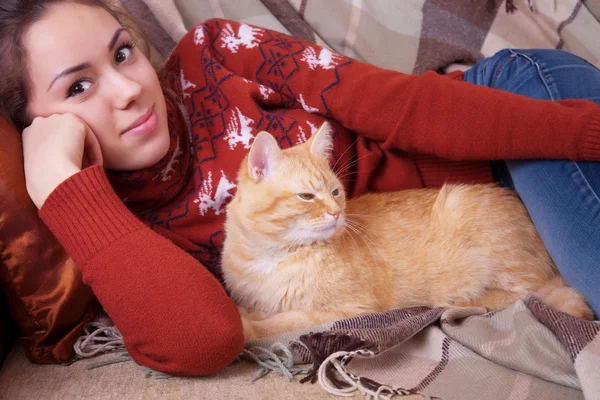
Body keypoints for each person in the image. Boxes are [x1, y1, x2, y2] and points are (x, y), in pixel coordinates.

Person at [1, 0, 599, 376]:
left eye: (123, 53)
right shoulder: (120, 231)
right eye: (78, 87)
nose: (128, 88)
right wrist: (66, 190)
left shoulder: (213, 55)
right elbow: (206, 339)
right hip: (478, 230)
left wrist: (590, 134)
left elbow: (403, 105)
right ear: (38, 127)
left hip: (519, 118)